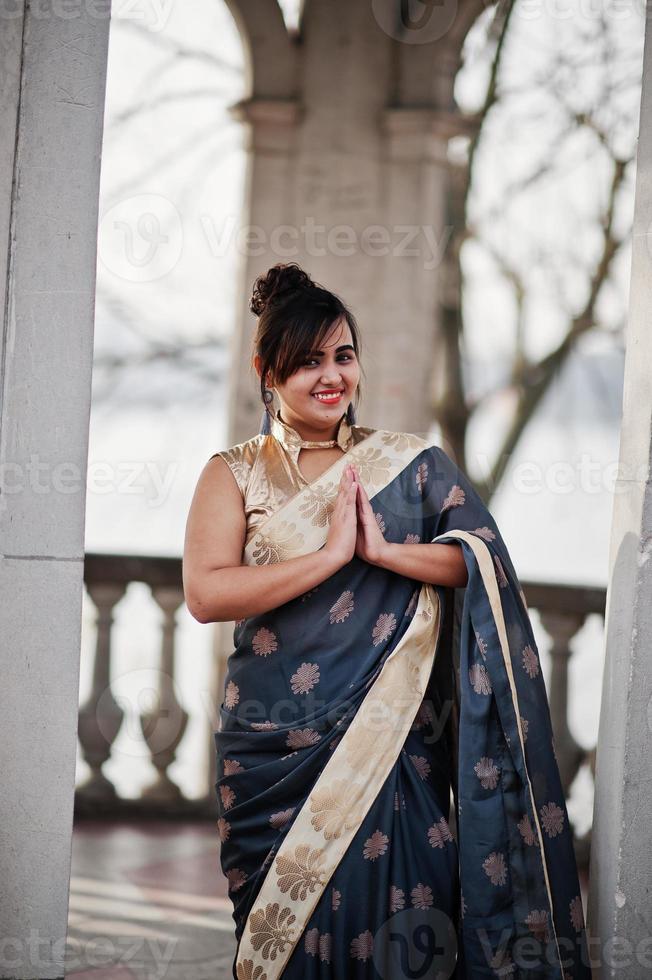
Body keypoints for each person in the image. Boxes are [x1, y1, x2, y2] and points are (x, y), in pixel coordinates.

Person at [183, 263, 591, 979]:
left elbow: (481, 561)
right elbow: (208, 594)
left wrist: (382, 550)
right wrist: (332, 555)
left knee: (411, 922)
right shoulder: (234, 474)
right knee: (285, 939)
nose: (331, 375)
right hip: (274, 749)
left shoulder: (411, 464)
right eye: (308, 361)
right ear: (265, 370)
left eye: (343, 355)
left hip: (396, 743)